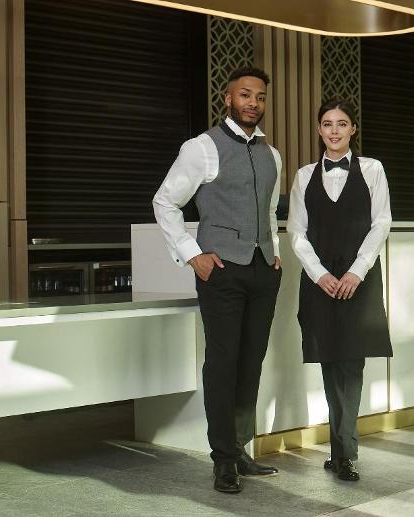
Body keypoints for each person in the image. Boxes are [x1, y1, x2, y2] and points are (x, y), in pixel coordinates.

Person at [153, 66, 282, 494]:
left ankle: (240, 447)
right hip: (221, 271)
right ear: (228, 99)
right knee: (223, 364)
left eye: (260, 97)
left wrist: (275, 253)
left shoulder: (272, 154)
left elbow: (268, 211)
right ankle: (222, 459)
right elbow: (165, 201)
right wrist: (193, 256)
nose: (253, 103)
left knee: (251, 362)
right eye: (245, 95)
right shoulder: (202, 147)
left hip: (263, 270)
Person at [287, 98, 393, 481]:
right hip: (320, 283)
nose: (334, 130)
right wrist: (320, 275)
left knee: (352, 363)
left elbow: (381, 223)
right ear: (319, 130)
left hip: (358, 281)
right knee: (330, 362)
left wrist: (356, 272)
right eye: (328, 124)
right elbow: (296, 232)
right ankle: (341, 449)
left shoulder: (372, 169)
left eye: (342, 123)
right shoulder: (302, 176)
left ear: (353, 130)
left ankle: (344, 452)